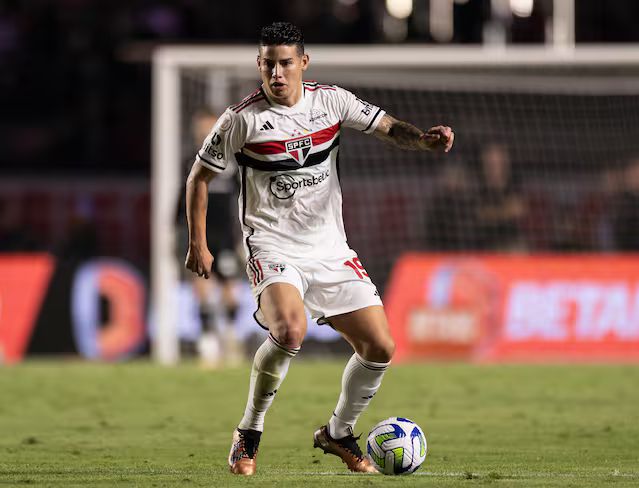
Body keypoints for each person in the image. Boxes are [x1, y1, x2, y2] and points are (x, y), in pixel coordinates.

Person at [184, 22, 454, 476]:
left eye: (286, 63)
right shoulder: (241, 119)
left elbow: (388, 127)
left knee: (380, 346)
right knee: (291, 330)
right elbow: (199, 178)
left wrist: (422, 140)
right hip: (272, 245)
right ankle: (249, 430)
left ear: (303, 63)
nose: (277, 73)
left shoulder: (331, 101)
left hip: (330, 249)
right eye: (268, 64)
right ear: (259, 65)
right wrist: (198, 243)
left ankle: (338, 432)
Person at [177, 108, 243, 367]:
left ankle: (230, 335)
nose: (204, 132)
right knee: (202, 287)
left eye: (208, 127)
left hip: (225, 234)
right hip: (198, 233)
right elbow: (181, 196)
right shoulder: (189, 161)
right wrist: (177, 229)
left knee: (229, 289)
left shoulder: (232, 160)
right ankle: (207, 342)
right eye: (200, 128)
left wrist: (244, 232)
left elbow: (244, 195)